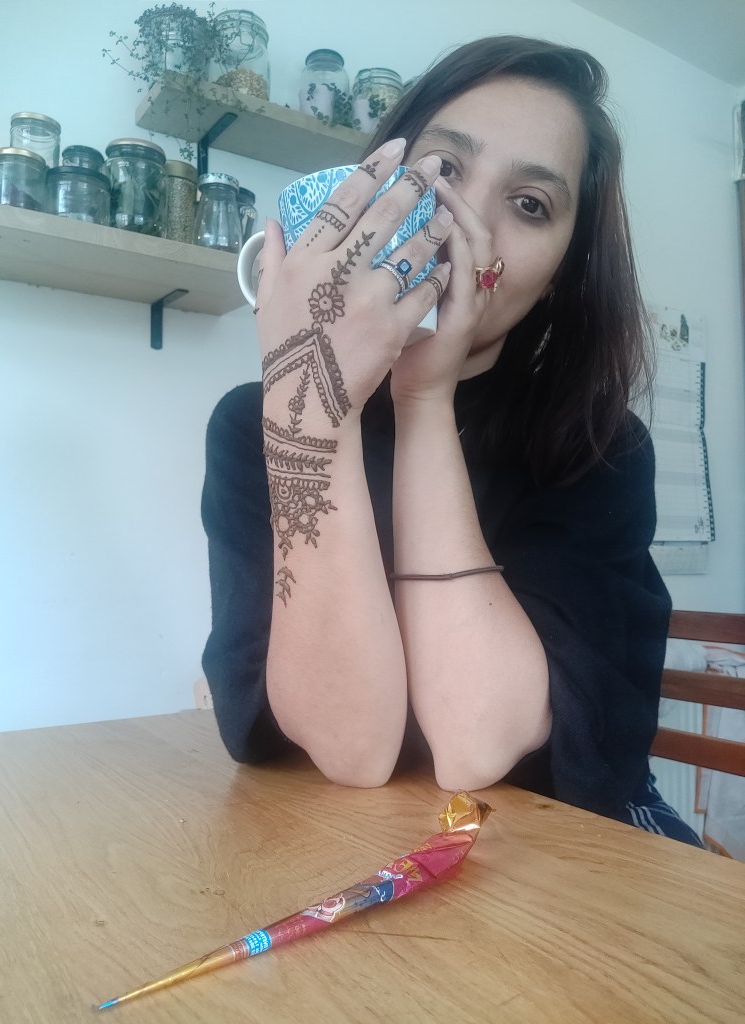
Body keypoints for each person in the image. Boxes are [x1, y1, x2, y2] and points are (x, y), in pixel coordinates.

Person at [201, 35, 703, 846]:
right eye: (440, 169)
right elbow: (351, 747)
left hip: (569, 854)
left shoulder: (598, 447)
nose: (463, 224)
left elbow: (478, 740)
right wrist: (312, 413)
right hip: (340, 843)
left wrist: (425, 397)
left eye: (530, 204)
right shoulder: (253, 425)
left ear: (562, 271)